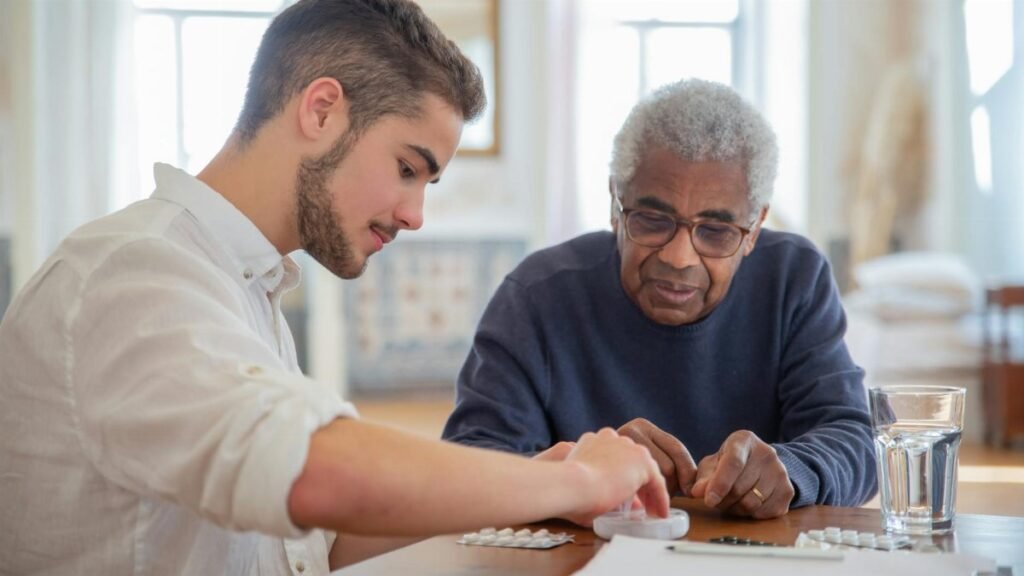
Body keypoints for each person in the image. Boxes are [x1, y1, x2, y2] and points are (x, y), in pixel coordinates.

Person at [0, 1, 669, 574]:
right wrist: (569, 477)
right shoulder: (131, 273)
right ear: (321, 110)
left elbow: (316, 539)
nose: (415, 215)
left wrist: (534, 491)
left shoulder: (241, 286)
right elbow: (314, 472)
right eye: (408, 168)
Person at [443, 79, 877, 520]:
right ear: (615, 204)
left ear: (755, 227)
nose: (678, 256)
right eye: (652, 220)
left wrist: (793, 467)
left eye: (716, 231)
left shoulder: (794, 279)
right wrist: (584, 471)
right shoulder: (538, 296)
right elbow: (471, 468)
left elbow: (854, 441)